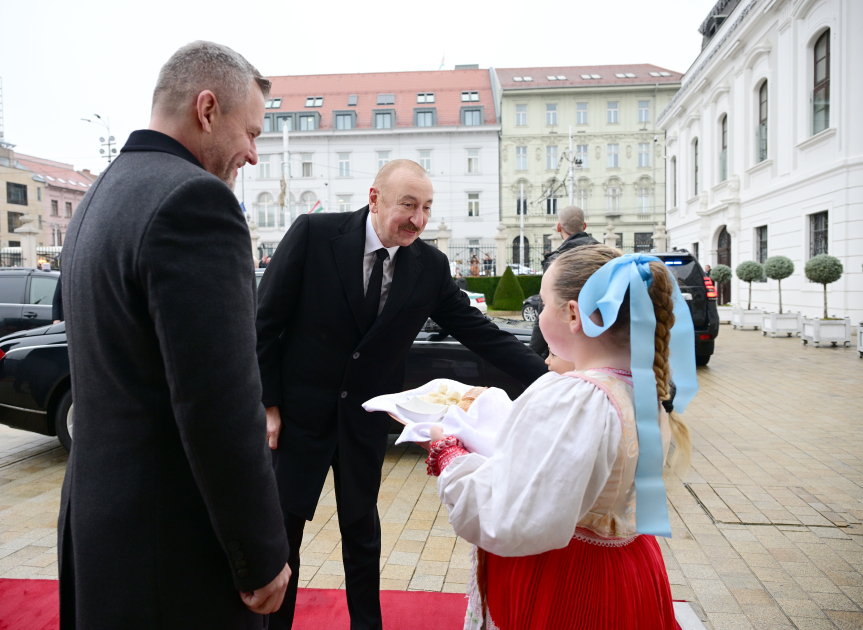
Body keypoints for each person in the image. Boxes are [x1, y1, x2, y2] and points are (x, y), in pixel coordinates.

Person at [57, 41, 291, 629]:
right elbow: (220, 404)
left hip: (100, 531)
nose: (253, 155)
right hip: (173, 555)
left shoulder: (100, 197)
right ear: (207, 110)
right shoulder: (195, 202)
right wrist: (260, 554)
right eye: (253, 133)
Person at [256, 158, 547, 630]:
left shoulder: (429, 266)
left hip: (366, 422)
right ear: (375, 198)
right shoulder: (313, 235)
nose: (419, 219)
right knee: (283, 535)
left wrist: (552, 380)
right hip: (297, 418)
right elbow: (265, 323)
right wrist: (267, 404)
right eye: (408, 205)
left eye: (427, 207)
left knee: (361, 531)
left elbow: (480, 332)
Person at [426, 244, 697, 630]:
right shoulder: (643, 388)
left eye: (544, 303)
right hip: (628, 568)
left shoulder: (577, 397)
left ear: (573, 314)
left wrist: (447, 452)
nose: (538, 317)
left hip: (571, 580)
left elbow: (512, 518)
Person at [529, 205, 598, 357]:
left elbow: (545, 309)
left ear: (559, 227)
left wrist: (532, 353)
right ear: (584, 226)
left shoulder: (557, 260)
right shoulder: (603, 254)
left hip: (566, 341)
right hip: (599, 339)